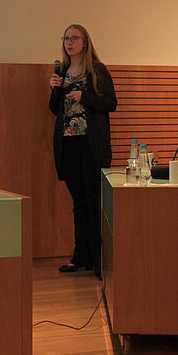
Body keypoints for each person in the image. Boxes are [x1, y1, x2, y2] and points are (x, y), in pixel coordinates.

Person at [48, 24, 117, 278]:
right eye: (66, 38)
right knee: (78, 203)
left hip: (91, 145)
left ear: (85, 42)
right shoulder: (63, 72)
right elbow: (54, 110)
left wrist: (84, 96)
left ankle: (99, 261)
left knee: (93, 202)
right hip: (68, 145)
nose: (69, 42)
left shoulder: (97, 70)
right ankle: (80, 257)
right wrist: (55, 88)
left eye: (74, 38)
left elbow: (111, 103)